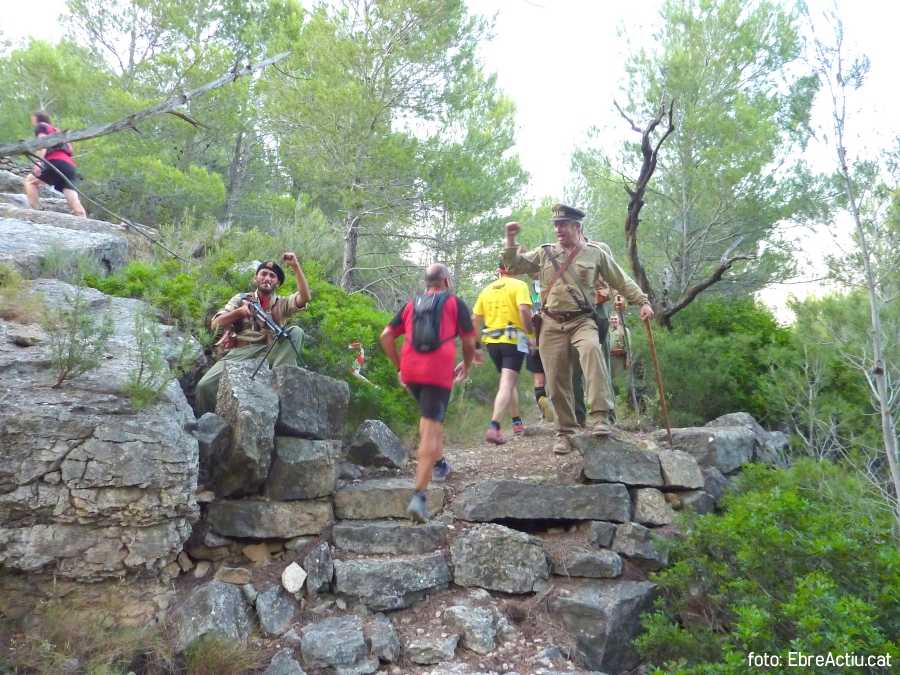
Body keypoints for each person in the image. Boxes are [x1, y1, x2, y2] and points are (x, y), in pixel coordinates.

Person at [503, 204, 654, 455]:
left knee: (593, 353)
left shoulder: (595, 254)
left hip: (583, 320)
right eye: (556, 225)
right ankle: (565, 432)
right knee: (555, 379)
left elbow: (620, 280)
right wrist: (510, 239)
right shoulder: (545, 253)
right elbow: (513, 267)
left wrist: (643, 301)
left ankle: (600, 417)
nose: (558, 229)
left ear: (576, 226)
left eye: (563, 224)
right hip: (551, 323)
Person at [380, 263, 476, 522]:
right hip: (437, 372)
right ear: (446, 281)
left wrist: (400, 368)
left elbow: (386, 336)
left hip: (412, 370)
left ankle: (440, 463)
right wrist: (466, 366)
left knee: (430, 416)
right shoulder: (454, 303)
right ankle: (419, 496)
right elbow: (469, 341)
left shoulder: (411, 304)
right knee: (430, 429)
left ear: (426, 282)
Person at [195, 254, 311, 414]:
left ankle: (280, 383)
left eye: (272, 276)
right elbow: (216, 323)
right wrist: (240, 312)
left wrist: (295, 266)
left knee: (296, 332)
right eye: (263, 274)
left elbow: (305, 297)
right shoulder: (241, 298)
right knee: (204, 386)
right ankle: (211, 420)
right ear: (256, 278)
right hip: (239, 353)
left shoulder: (282, 303)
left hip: (268, 351)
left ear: (277, 283)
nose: (267, 278)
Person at [472, 262, 534, 444]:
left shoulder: (486, 290)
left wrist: (476, 347)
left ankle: (516, 422)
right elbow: (524, 310)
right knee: (507, 382)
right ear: (515, 269)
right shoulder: (519, 285)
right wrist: (530, 334)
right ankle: (494, 426)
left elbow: (474, 319)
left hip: (492, 342)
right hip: (513, 339)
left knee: (508, 380)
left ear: (498, 271)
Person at [24, 112, 87, 217]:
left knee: (30, 181)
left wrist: (38, 161)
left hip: (56, 161)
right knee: (69, 191)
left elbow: (42, 143)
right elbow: (70, 150)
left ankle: (35, 212)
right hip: (69, 165)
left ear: (36, 118)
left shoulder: (41, 126)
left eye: (32, 119)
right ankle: (81, 216)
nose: (32, 121)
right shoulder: (57, 131)